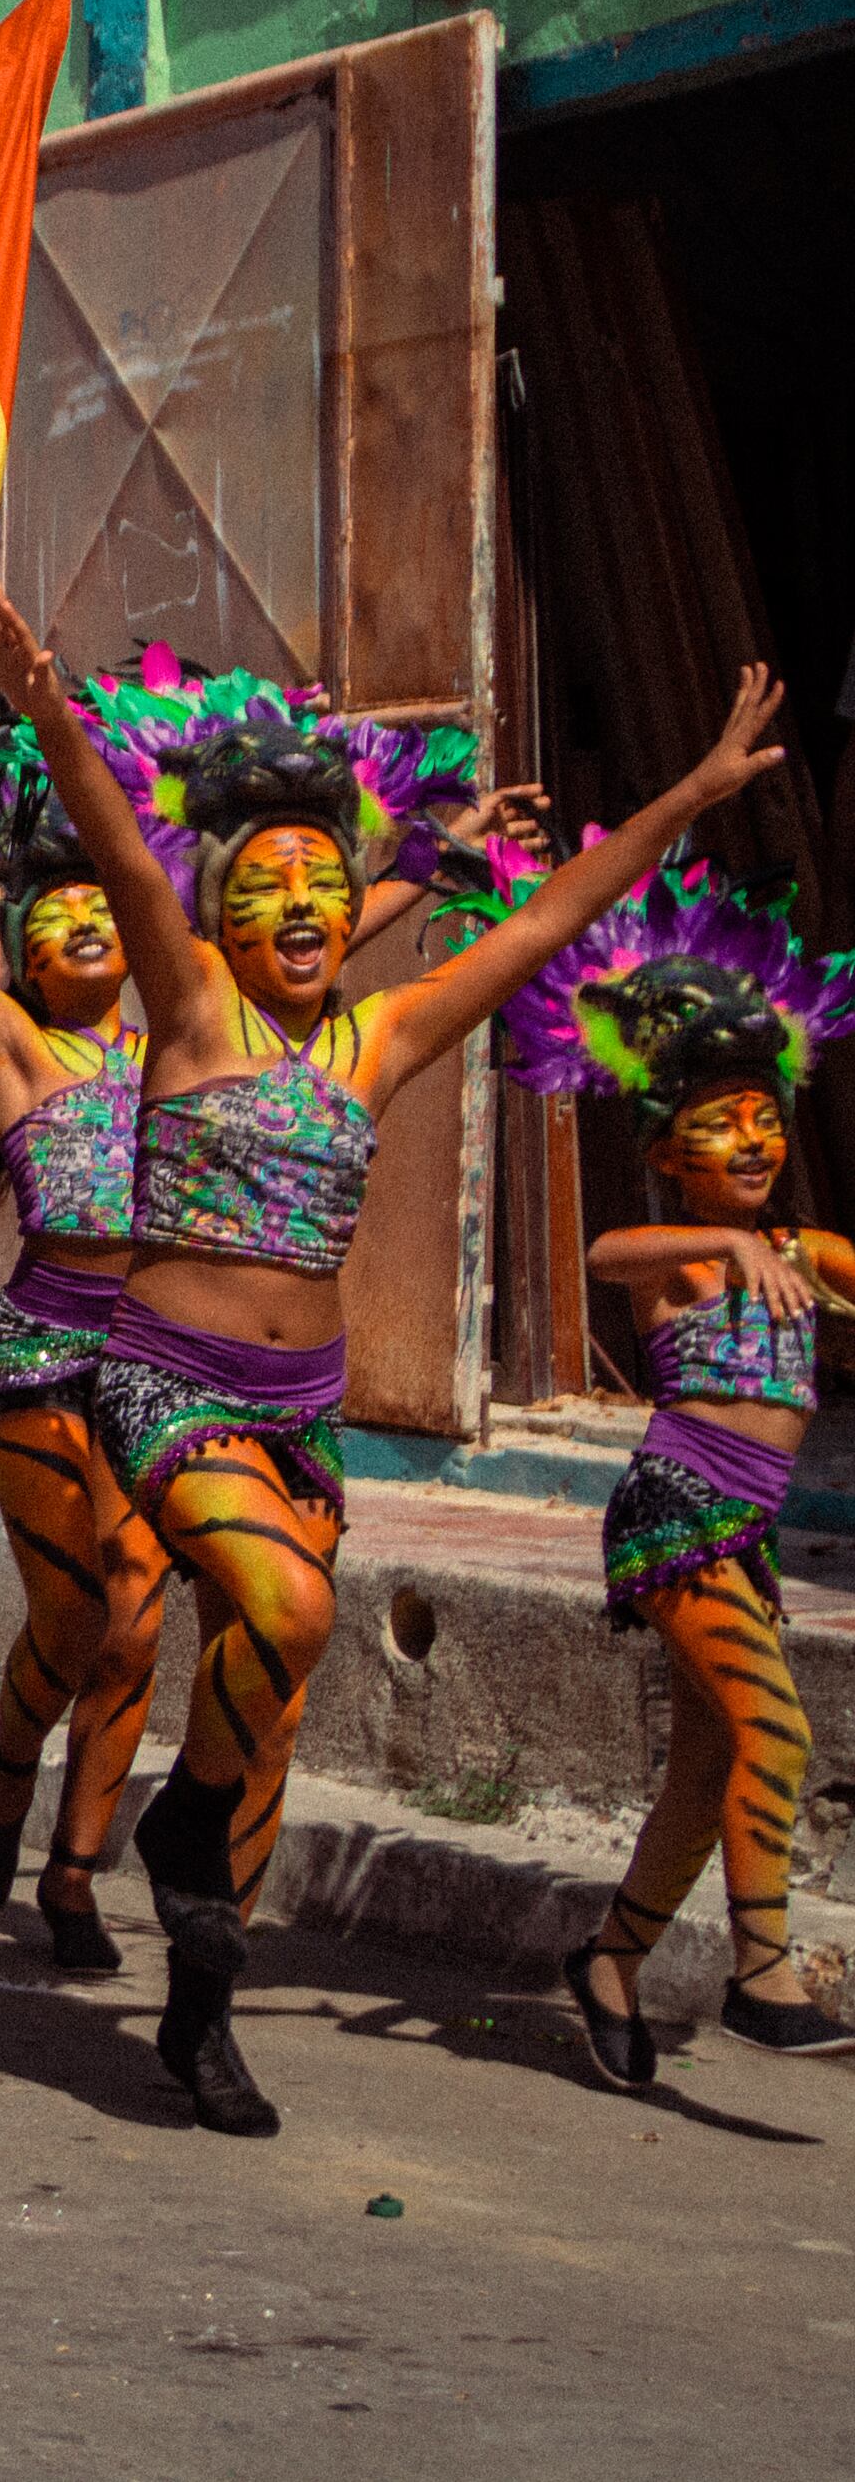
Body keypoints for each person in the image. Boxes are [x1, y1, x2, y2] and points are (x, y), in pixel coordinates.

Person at [0, 599, 784, 2134]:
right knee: (286, 1609)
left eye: (322, 880)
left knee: (273, 1696)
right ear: (221, 920)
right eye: (265, 883)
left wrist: (689, 796)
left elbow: (544, 922)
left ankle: (202, 2007)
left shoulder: (378, 1043)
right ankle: (173, 1829)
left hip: (305, 1417)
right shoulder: (193, 1008)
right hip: (164, 1382)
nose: (298, 900)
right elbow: (111, 829)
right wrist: (53, 721)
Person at [502, 860, 854, 2080]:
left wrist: (787, 1248)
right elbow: (602, 1251)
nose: (750, 1142)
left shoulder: (800, 1253)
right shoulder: (678, 1259)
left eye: (764, 1121)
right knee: (775, 1728)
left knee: (708, 1772)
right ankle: (761, 1972)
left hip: (742, 1538)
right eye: (719, 1127)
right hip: (676, 1512)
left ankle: (608, 1961)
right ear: (668, 1153)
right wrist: (720, 1238)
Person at [0, 727, 159, 1973]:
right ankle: (5, 1774)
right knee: (70, 1615)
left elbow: (320, 964)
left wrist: (427, 863)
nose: (82, 921)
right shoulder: (10, 1045)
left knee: (140, 1630)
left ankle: (72, 1875)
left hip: (157, 1368)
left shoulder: (189, 1045)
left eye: (99, 902)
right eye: (52, 910)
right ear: (23, 945)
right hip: (37, 1360)